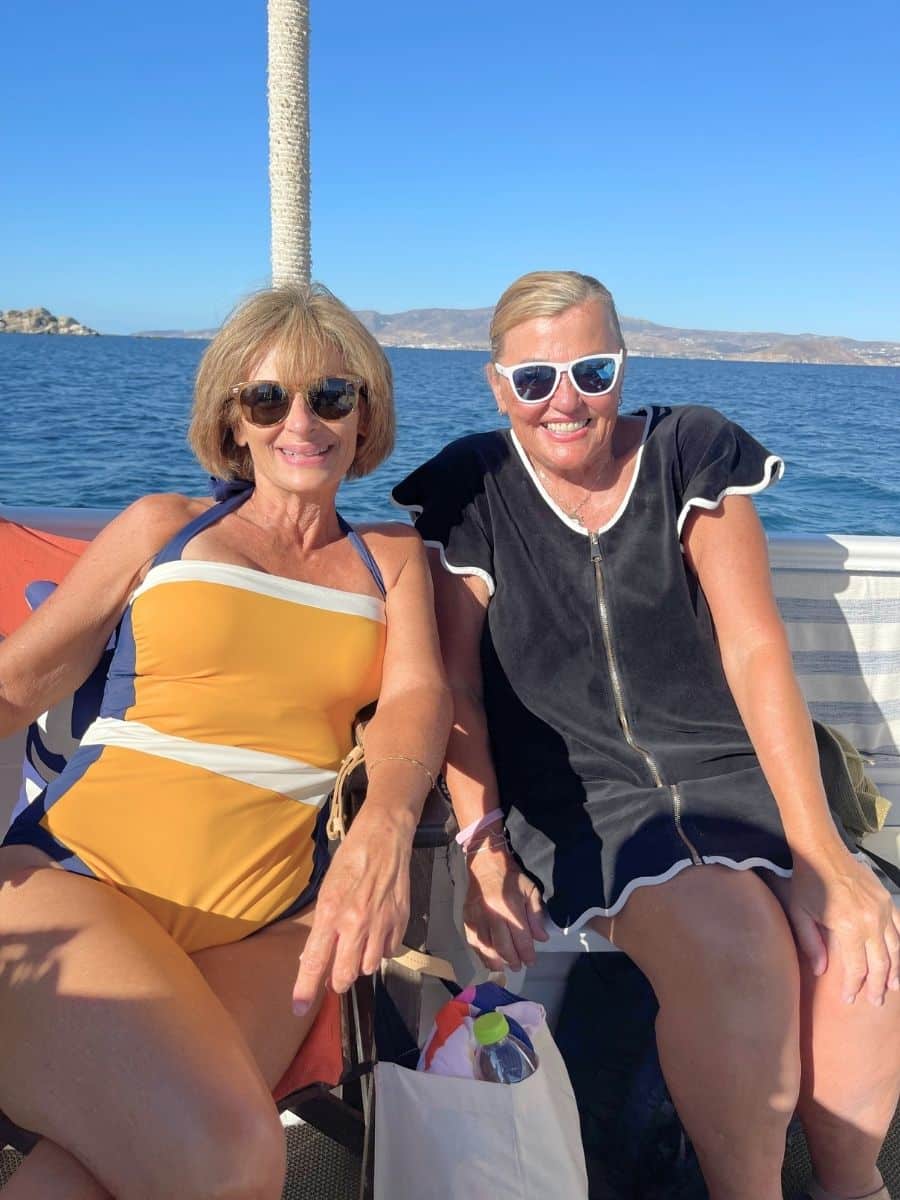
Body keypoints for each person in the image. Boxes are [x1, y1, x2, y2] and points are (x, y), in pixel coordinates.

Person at [392, 270, 900, 1200]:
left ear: (623, 364)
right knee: (736, 954)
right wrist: (484, 848)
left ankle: (852, 1186)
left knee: (863, 953)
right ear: (496, 383)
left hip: (733, 768)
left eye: (591, 369)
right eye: (535, 379)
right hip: (587, 798)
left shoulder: (690, 451)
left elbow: (752, 649)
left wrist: (822, 851)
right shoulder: (472, 489)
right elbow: (454, 685)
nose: (566, 401)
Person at [0, 283, 451, 1200]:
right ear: (232, 420)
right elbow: (17, 683)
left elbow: (418, 700)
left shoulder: (393, 560)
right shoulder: (166, 528)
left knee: (100, 1174)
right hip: (79, 881)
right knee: (232, 1164)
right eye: (268, 398)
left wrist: (385, 827)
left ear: (364, 418)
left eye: (331, 396)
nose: (302, 421)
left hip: (266, 925)